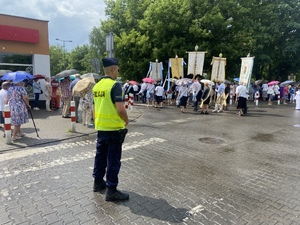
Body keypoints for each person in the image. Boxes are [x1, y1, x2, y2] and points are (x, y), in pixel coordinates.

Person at [92, 57, 129, 201]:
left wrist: (98, 122)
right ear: (113, 69)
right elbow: (120, 109)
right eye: (117, 70)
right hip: (114, 129)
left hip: (101, 128)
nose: (117, 72)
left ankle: (98, 183)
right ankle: (112, 190)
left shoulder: (97, 86)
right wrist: (126, 120)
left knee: (100, 157)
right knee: (113, 160)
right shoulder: (115, 86)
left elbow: (94, 109)